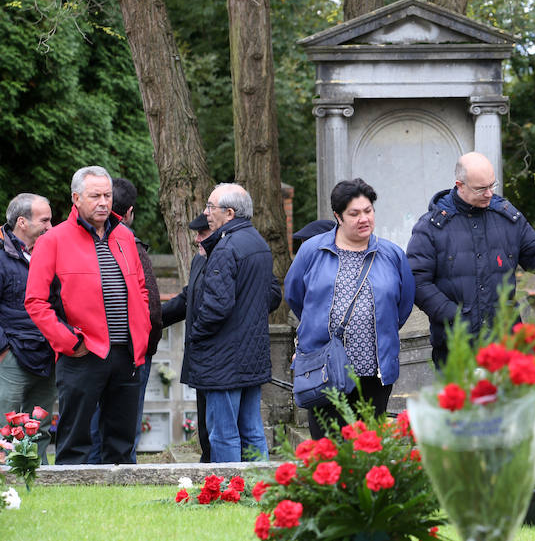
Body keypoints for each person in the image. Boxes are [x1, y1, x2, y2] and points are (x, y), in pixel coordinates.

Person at [25, 166, 151, 464]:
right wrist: (69, 342)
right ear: (76, 198)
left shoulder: (124, 237)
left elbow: (141, 290)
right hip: (82, 353)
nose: (104, 202)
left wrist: (141, 332)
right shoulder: (53, 240)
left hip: (127, 353)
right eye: (95, 196)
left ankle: (121, 503)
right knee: (76, 440)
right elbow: (35, 301)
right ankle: (72, 500)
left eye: (107, 195)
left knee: (122, 440)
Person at [406, 152, 535, 365]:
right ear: (460, 185)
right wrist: (455, 317)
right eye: (481, 189)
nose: (489, 193)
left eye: (492, 185)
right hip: (456, 347)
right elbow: (417, 281)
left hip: (505, 344)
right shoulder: (431, 227)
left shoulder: (506, 217)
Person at [285, 179, 414, 439]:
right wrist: (318, 326)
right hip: (325, 368)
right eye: (354, 213)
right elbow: (295, 295)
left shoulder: (391, 254)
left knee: (367, 448)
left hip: (373, 372)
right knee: (327, 449)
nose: (363, 218)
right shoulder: (313, 251)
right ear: (338, 216)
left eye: (368, 211)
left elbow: (403, 303)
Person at [187, 183, 281, 462]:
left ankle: (229, 492)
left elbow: (217, 307)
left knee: (223, 433)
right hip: (252, 355)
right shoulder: (258, 243)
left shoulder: (225, 247)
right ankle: (262, 488)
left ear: (229, 213)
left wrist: (196, 334)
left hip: (223, 358)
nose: (206, 213)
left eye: (210, 207)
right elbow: (271, 295)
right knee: (252, 429)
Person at [87, 178, 163, 463]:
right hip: (128, 351)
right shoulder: (132, 246)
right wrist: (145, 345)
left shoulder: (87, 244)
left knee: (97, 420)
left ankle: (95, 472)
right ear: (129, 212)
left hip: (94, 348)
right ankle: (115, 473)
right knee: (122, 424)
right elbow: (152, 308)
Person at [0, 193, 54, 462]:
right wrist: (4, 350)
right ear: (22, 222)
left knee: (40, 424)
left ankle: (40, 477)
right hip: (13, 355)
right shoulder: (1, 255)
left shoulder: (50, 251)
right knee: (5, 426)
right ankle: (7, 483)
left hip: (48, 352)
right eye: (44, 220)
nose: (50, 227)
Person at [161, 213, 213, 462]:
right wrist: (152, 319)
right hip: (201, 353)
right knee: (204, 420)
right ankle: (207, 467)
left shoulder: (235, 258)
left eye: (202, 234)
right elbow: (187, 297)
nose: (196, 240)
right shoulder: (199, 260)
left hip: (222, 353)